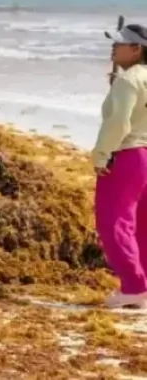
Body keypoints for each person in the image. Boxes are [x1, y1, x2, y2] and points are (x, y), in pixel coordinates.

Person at [91, 24, 147, 309]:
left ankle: (135, 286)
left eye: (120, 44)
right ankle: (142, 285)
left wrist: (101, 155)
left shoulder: (129, 81)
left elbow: (119, 123)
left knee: (114, 222)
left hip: (127, 156)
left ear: (137, 49)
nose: (113, 47)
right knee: (142, 225)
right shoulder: (134, 78)